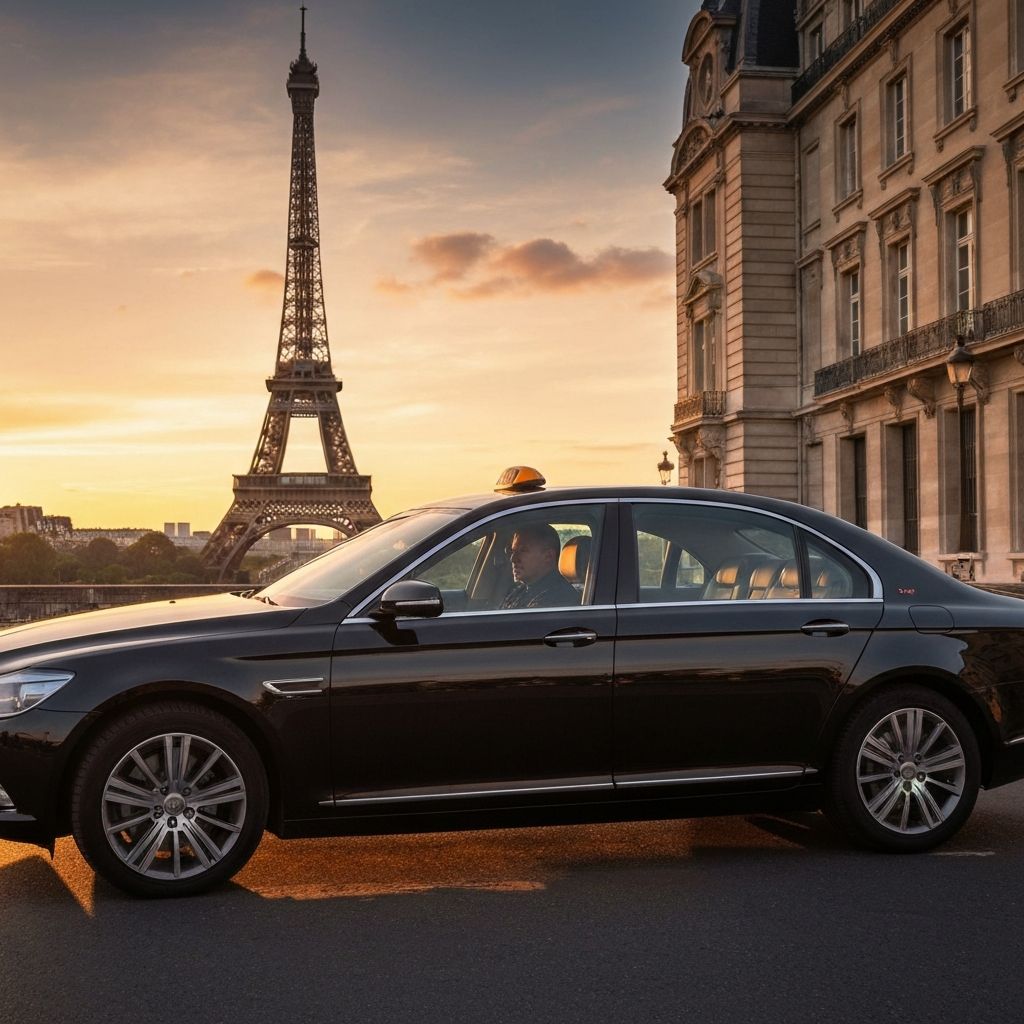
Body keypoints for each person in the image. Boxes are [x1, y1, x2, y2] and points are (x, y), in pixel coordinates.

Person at [501, 523, 580, 609]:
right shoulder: (520, 590)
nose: (513, 559)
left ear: (548, 556)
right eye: (513, 551)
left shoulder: (558, 598)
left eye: (523, 550)